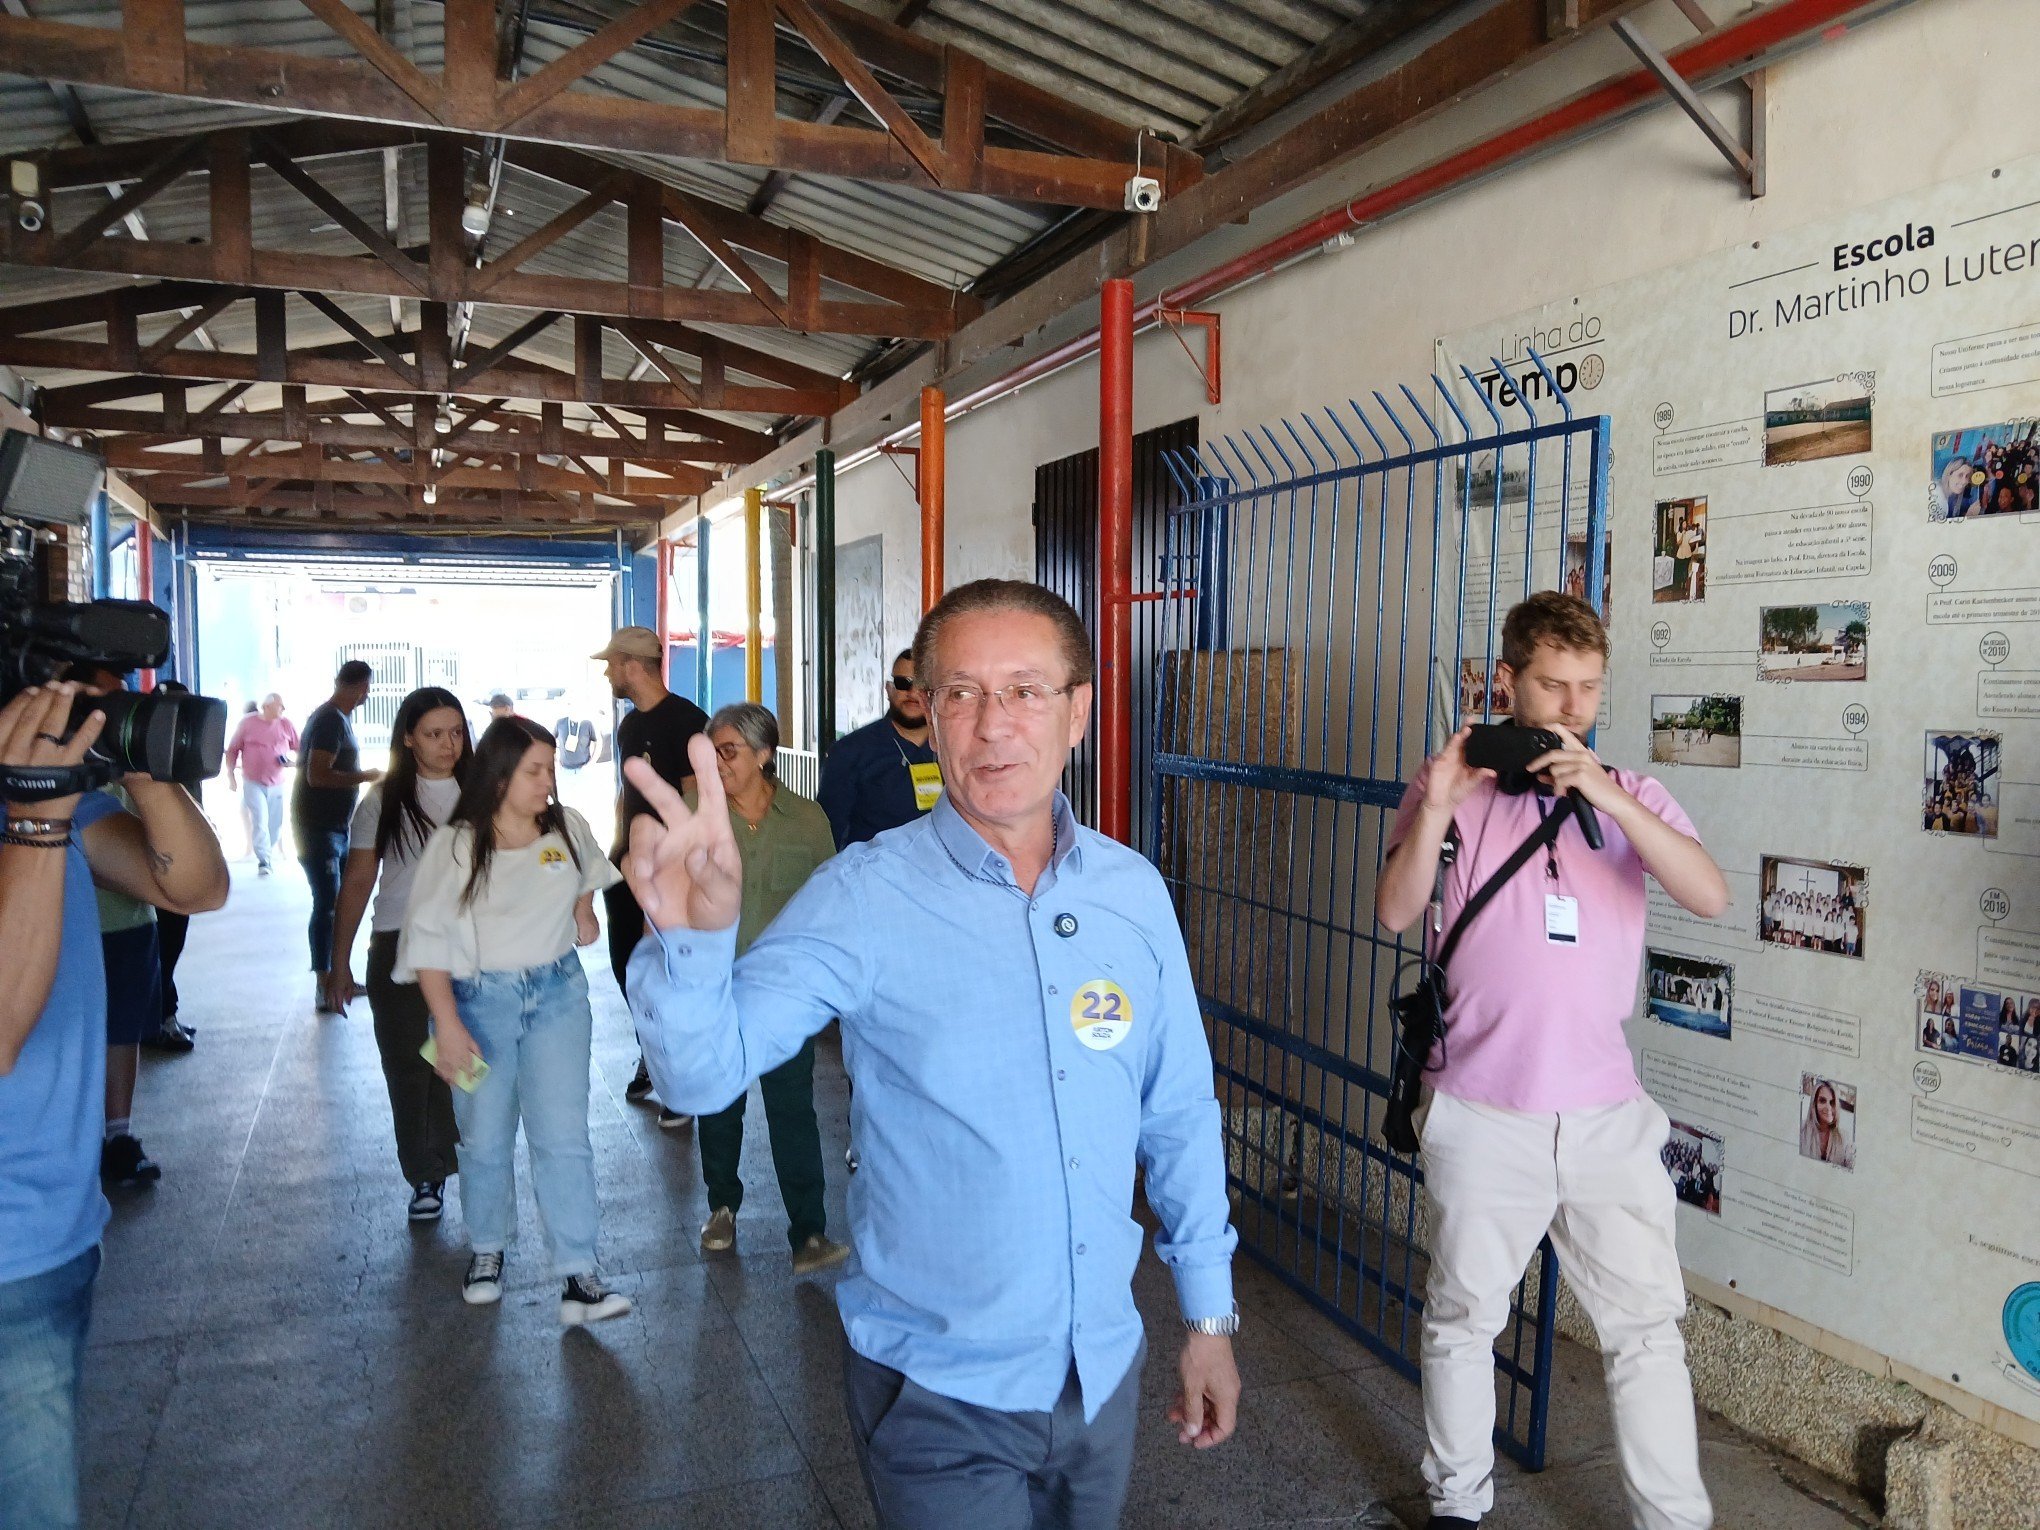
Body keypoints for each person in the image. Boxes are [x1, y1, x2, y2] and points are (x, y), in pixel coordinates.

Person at [624, 579, 1241, 1530]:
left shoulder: (1133, 892)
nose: (993, 725)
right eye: (961, 693)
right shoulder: (866, 895)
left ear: (1078, 712)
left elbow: (1179, 1113)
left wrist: (1207, 1318)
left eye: (1027, 691)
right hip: (938, 1393)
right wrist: (697, 944)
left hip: (1101, 1373)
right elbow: (703, 1074)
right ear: (927, 710)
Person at [1374, 590, 1728, 1530]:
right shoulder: (1456, 785)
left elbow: (1708, 893)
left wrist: (1606, 791)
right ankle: (1457, 1503)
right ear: (1508, 682)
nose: (1571, 708)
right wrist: (1442, 799)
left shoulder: (1631, 795)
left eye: (1588, 690)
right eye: (1551, 686)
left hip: (1606, 1114)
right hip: (1484, 1109)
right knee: (1463, 1322)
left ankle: (1674, 1520)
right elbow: (1396, 911)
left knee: (1648, 1332)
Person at [1, 683, 227, 1527]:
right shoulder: (32, 806)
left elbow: (196, 887)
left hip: (52, 1227)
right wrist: (32, 817)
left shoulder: (57, 798)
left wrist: (144, 767)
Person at [397, 717, 630, 1323]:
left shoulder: (565, 827)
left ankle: (579, 1273)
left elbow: (590, 871)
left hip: (557, 996)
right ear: (499, 775)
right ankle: (487, 1250)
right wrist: (447, 1025)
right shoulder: (456, 845)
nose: (548, 781)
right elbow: (427, 944)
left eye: (551, 768)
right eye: (535, 770)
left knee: (564, 1135)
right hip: (477, 1005)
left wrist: (582, 907)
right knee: (484, 1135)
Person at [688, 703, 847, 1274]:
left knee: (792, 1109)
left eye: (728, 751)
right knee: (721, 1102)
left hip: (783, 994)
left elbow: (828, 903)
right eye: (712, 752)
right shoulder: (692, 813)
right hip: (713, 987)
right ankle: (722, 1206)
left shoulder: (807, 822)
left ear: (763, 755)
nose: (718, 762)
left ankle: (808, 1231)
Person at [327, 687, 472, 1223]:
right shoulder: (384, 800)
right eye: (434, 734)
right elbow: (359, 879)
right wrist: (338, 962)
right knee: (412, 1066)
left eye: (456, 732)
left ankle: (470, 1157)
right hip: (400, 946)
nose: (448, 744)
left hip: (472, 948)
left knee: (467, 1063)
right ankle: (425, 1173)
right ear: (408, 739)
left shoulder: (483, 793)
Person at [591, 625, 708, 1125]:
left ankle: (680, 1081)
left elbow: (696, 799)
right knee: (629, 968)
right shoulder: (627, 728)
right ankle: (652, 1055)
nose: (607, 673)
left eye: (611, 664)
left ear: (631, 664)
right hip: (628, 868)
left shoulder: (687, 721)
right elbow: (627, 795)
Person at [293, 661, 381, 1012]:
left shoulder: (332, 718)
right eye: (368, 688)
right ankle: (324, 983)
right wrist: (365, 776)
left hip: (332, 827)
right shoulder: (330, 720)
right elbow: (318, 775)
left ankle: (336, 977)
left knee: (337, 903)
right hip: (319, 829)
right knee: (327, 904)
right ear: (362, 688)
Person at [816, 647, 941, 850]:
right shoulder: (850, 752)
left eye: (922, 685)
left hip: (942, 875)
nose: (912, 693)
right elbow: (828, 833)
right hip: (874, 876)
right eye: (903, 683)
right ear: (889, 689)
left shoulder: (956, 749)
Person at [223, 691, 298, 875]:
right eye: (280, 706)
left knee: (275, 823)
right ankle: (264, 860)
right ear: (266, 707)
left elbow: (301, 748)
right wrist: (231, 776)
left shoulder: (286, 725)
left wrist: (294, 763)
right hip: (252, 781)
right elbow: (233, 750)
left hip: (277, 782)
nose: (283, 709)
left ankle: (268, 851)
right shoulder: (247, 724)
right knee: (260, 819)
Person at [1799, 1080, 1853, 1169]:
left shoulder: (1845, 1138)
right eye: (1822, 1101)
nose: (1828, 1108)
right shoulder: (1801, 1130)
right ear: (1814, 1104)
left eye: (1832, 1102)